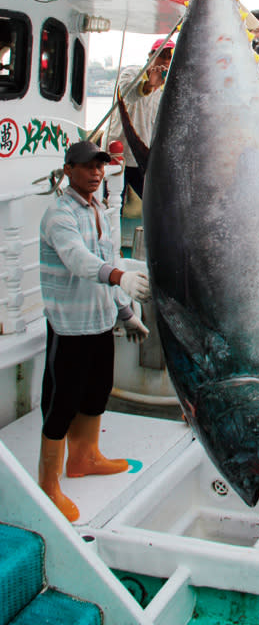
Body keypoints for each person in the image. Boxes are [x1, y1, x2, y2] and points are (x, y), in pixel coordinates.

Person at [38, 140, 151, 522]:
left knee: (97, 392)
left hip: (101, 322)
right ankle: (48, 485)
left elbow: (107, 258)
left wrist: (124, 313)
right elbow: (78, 261)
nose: (96, 172)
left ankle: (84, 458)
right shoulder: (59, 215)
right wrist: (121, 277)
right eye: (87, 166)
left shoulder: (101, 209)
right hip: (70, 327)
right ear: (68, 169)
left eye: (100, 165)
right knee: (61, 403)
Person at [107, 37, 175, 200]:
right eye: (161, 55)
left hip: (143, 160)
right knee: (113, 204)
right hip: (117, 155)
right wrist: (148, 85)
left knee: (157, 202)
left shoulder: (167, 89)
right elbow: (129, 95)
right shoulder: (131, 73)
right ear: (150, 55)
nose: (165, 60)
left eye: (169, 57)